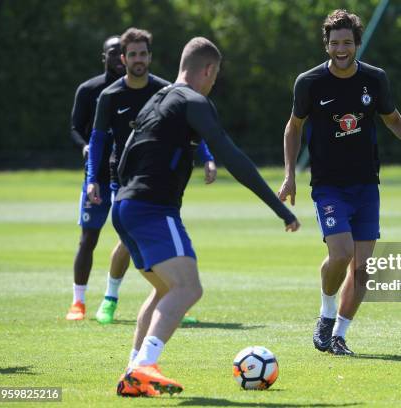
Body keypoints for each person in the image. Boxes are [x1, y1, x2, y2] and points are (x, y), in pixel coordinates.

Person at [102, 36, 300, 397]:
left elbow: (126, 153)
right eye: (215, 75)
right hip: (152, 208)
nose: (213, 83)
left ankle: (132, 372)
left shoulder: (154, 101)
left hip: (127, 206)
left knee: (164, 289)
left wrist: (125, 197)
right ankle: (145, 365)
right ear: (207, 70)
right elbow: (232, 155)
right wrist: (279, 207)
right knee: (188, 287)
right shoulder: (194, 100)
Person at [277, 9, 401, 356]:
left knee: (363, 268)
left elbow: (393, 118)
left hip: (366, 184)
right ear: (327, 45)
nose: (341, 49)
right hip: (328, 185)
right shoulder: (309, 82)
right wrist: (290, 174)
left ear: (357, 44)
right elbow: (293, 127)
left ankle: (338, 335)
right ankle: (325, 313)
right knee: (341, 253)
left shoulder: (375, 79)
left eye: (347, 43)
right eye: (335, 43)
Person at [87, 27, 214, 325]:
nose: (138, 59)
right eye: (132, 54)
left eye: (143, 53)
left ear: (150, 56)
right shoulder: (109, 96)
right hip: (125, 177)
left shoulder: (164, 91)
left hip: (160, 177)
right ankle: (111, 298)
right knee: (126, 242)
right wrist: (92, 177)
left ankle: (172, 298)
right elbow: (97, 140)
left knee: (158, 239)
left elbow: (194, 127)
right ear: (123, 58)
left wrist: (207, 159)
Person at [66, 36, 125, 321]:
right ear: (104, 56)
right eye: (113, 52)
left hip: (128, 177)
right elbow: (75, 128)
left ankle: (171, 297)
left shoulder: (140, 89)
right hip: (96, 178)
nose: (118, 56)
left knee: (137, 237)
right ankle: (78, 302)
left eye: (122, 52)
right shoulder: (89, 90)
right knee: (88, 238)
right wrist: (85, 146)